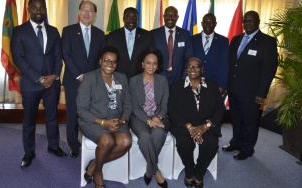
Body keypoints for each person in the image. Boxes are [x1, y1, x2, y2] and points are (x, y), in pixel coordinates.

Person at [11, 0, 66, 168]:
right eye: (34, 8)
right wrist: (39, 78)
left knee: (52, 117)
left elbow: (58, 56)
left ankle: (53, 146)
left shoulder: (53, 30)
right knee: (29, 120)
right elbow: (18, 59)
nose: (39, 11)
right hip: (30, 84)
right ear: (29, 10)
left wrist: (54, 75)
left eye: (42, 8)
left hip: (52, 83)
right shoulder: (19, 31)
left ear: (45, 10)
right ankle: (29, 152)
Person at [222, 11, 278, 160]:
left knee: (250, 122)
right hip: (234, 89)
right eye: (245, 20)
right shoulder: (236, 39)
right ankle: (236, 142)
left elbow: (269, 70)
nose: (247, 23)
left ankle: (247, 149)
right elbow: (232, 65)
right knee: (237, 119)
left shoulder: (267, 42)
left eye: (251, 20)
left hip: (252, 93)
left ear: (258, 21)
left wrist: (261, 93)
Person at [77, 46, 132, 188]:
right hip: (93, 120)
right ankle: (98, 172)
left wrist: (122, 120)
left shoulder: (122, 78)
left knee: (126, 142)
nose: (110, 65)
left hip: (116, 119)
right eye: (107, 60)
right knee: (107, 141)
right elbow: (81, 110)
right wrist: (103, 122)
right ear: (100, 61)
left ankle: (94, 165)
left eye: (114, 62)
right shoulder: (89, 78)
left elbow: (128, 104)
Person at [168, 57, 225, 188]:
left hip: (207, 125)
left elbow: (220, 109)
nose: (192, 69)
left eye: (196, 66)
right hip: (184, 125)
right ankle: (189, 170)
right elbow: (172, 109)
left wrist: (206, 126)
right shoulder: (177, 86)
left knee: (211, 145)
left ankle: (199, 173)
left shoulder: (212, 85)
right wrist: (190, 127)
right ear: (186, 69)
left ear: (202, 69)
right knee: (184, 144)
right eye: (189, 66)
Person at [62, 0, 106, 158]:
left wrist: (93, 77)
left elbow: (101, 59)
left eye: (91, 11)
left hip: (93, 82)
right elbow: (65, 54)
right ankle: (73, 145)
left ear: (94, 15)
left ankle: (92, 141)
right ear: (79, 12)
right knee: (73, 114)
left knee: (92, 113)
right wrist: (79, 75)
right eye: (84, 10)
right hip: (74, 81)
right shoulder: (68, 31)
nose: (87, 13)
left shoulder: (100, 34)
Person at [129, 48, 169, 188]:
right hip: (139, 118)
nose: (151, 66)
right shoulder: (133, 81)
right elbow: (133, 106)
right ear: (142, 64)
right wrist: (148, 120)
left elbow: (164, 105)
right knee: (145, 137)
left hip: (159, 117)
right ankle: (156, 171)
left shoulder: (162, 80)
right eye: (148, 63)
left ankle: (149, 170)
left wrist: (158, 117)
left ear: (158, 65)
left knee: (159, 133)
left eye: (154, 63)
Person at [106, 7, 154, 79]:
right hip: (118, 76)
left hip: (140, 77)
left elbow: (150, 56)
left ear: (138, 19)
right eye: (128, 17)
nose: (131, 20)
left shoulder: (147, 35)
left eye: (134, 17)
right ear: (123, 19)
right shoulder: (113, 36)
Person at [151, 6, 193, 87]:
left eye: (173, 15)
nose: (170, 17)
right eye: (167, 15)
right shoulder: (153, 34)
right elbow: (150, 57)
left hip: (179, 78)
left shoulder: (185, 35)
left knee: (177, 100)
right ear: (163, 16)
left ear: (177, 17)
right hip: (158, 77)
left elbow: (189, 58)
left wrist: (184, 77)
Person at [190, 13, 229, 94]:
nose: (208, 25)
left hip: (215, 83)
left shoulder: (223, 41)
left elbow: (225, 64)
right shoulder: (192, 39)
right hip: (194, 81)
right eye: (205, 22)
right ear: (201, 24)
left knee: (211, 106)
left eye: (211, 22)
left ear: (215, 24)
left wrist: (222, 85)